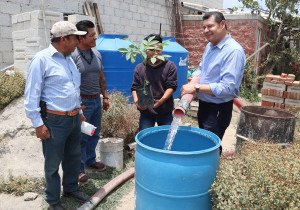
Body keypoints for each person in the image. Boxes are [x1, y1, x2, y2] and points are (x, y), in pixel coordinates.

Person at [24, 21, 89, 210]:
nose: (78, 42)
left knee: (73, 156)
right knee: (52, 162)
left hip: (74, 118)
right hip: (54, 120)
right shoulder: (41, 59)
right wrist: (38, 123)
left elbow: (73, 90)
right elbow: (31, 95)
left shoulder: (69, 59)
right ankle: (53, 200)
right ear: (64, 39)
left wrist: (80, 112)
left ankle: (70, 188)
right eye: (75, 38)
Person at [181, 12, 246, 153]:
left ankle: (213, 172)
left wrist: (196, 87)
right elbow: (201, 69)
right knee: (205, 141)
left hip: (218, 108)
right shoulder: (210, 46)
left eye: (210, 26)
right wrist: (195, 80)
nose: (205, 31)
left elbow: (228, 87)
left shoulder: (233, 51)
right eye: (203, 27)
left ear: (222, 24)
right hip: (205, 104)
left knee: (211, 146)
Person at [71, 20, 109, 183]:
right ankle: (78, 170)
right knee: (80, 137)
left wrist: (105, 96)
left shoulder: (97, 54)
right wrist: (77, 105)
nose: (95, 38)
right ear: (81, 38)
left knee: (93, 133)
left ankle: (90, 160)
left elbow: (101, 76)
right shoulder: (72, 56)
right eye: (92, 35)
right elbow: (70, 83)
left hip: (96, 101)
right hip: (83, 104)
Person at [131, 34, 178, 131]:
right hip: (146, 111)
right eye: (152, 50)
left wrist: (161, 101)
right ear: (145, 49)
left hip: (165, 110)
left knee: (166, 138)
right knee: (145, 137)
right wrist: (136, 101)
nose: (155, 53)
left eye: (158, 50)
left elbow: (171, 86)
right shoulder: (140, 68)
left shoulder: (169, 66)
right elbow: (135, 87)